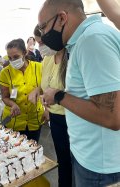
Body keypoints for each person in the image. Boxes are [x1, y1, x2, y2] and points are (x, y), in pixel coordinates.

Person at [38, 0, 120, 186]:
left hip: (101, 166)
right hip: (91, 156)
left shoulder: (92, 41)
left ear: (61, 18)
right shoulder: (82, 41)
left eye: (43, 28)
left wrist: (59, 96)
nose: (42, 36)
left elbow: (111, 117)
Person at [34, 28, 72, 187]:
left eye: (42, 42)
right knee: (63, 160)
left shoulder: (71, 57)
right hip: (56, 118)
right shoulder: (48, 59)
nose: (40, 46)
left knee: (76, 161)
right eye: (38, 43)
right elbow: (46, 87)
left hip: (72, 117)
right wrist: (38, 91)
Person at [0, 39, 44, 142]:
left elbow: (47, 88)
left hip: (34, 119)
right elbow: (5, 97)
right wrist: (12, 104)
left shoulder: (39, 68)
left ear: (25, 53)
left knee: (33, 149)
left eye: (16, 57)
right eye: (10, 58)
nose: (13, 60)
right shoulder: (5, 73)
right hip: (15, 121)